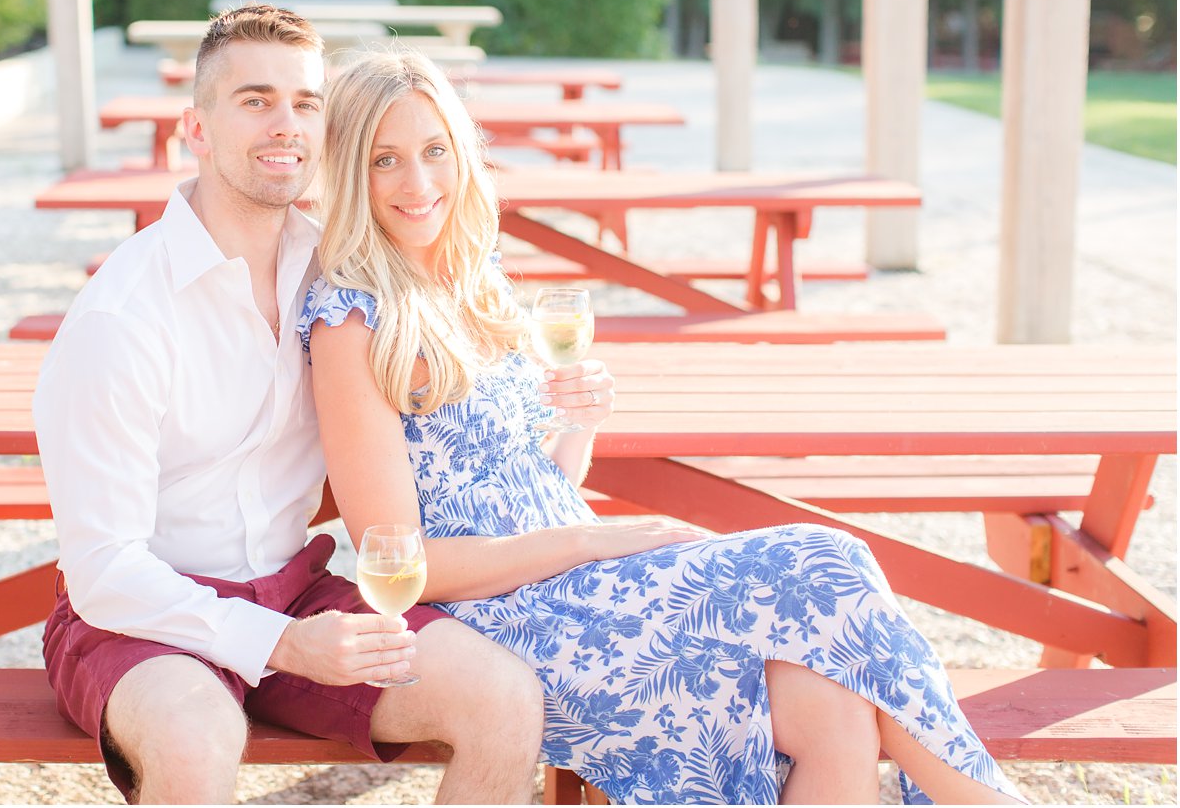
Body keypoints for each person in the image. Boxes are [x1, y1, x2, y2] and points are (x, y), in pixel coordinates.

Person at [297, 50, 1025, 805]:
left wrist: (578, 425)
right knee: (828, 558)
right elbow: (403, 561)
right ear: (352, 173)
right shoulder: (353, 318)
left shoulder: (465, 278)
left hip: (587, 584)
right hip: (510, 620)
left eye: (434, 150)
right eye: (386, 160)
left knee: (836, 711)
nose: (419, 183)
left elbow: (533, 485)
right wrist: (591, 540)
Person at [33, 7, 544, 805]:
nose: (287, 125)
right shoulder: (121, 316)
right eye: (255, 100)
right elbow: (104, 571)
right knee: (194, 735)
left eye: (307, 103)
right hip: (142, 619)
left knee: (503, 696)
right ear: (195, 128)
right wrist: (283, 643)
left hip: (297, 589)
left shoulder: (339, 272)